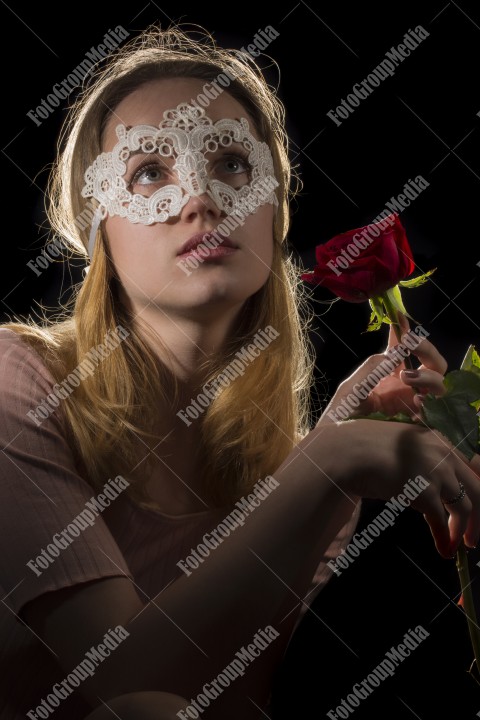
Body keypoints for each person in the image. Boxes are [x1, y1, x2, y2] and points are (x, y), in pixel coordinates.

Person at [0, 25, 478, 720]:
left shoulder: (285, 461)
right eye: (148, 173)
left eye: (231, 164)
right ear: (97, 229)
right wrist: (326, 464)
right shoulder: (16, 384)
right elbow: (124, 684)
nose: (200, 199)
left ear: (276, 210)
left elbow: (235, 699)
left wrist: (333, 451)